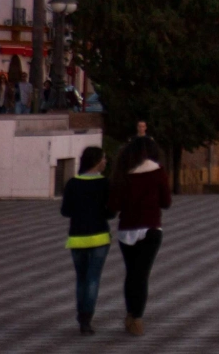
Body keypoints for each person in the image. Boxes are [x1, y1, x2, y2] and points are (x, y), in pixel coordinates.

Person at [108, 134, 172, 337]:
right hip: (151, 228)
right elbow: (166, 202)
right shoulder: (158, 172)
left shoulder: (123, 173)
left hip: (126, 230)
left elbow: (114, 205)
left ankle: (130, 314)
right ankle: (136, 318)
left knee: (131, 273)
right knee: (142, 275)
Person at [61, 145, 111, 334]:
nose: (106, 162)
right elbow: (111, 211)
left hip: (77, 238)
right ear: (97, 161)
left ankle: (81, 316)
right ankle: (87, 318)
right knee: (93, 279)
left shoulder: (72, 183)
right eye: (104, 158)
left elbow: (65, 211)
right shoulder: (105, 183)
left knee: (81, 279)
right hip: (99, 238)